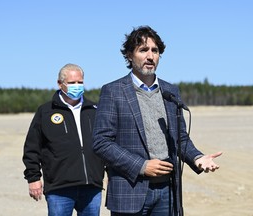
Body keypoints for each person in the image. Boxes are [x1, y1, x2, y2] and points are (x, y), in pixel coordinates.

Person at [92, 26, 222, 216]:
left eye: (155, 50)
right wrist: (142, 166)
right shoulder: (113, 91)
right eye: (143, 50)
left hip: (167, 192)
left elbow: (180, 138)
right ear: (129, 55)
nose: (150, 56)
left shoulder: (170, 92)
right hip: (130, 192)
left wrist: (197, 157)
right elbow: (101, 142)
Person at [22, 63, 104, 216]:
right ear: (60, 84)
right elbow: (32, 148)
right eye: (72, 83)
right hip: (59, 189)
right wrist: (33, 178)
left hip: (91, 187)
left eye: (80, 82)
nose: (77, 86)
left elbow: (105, 144)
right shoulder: (46, 111)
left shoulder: (94, 110)